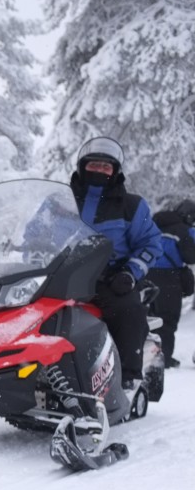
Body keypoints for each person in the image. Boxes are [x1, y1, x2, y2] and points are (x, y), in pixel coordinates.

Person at [68, 137, 164, 387]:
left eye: (105, 167)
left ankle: (127, 377)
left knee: (129, 311)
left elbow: (151, 243)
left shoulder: (130, 205)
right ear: (82, 167)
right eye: (94, 165)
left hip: (110, 279)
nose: (99, 170)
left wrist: (130, 273)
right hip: (62, 276)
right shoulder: (61, 201)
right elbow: (33, 235)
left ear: (115, 172)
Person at [149, 199, 195, 366]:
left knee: (150, 318)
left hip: (146, 275)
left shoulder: (155, 224)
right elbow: (190, 256)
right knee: (167, 320)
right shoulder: (183, 230)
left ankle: (148, 356)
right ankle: (164, 359)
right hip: (168, 279)